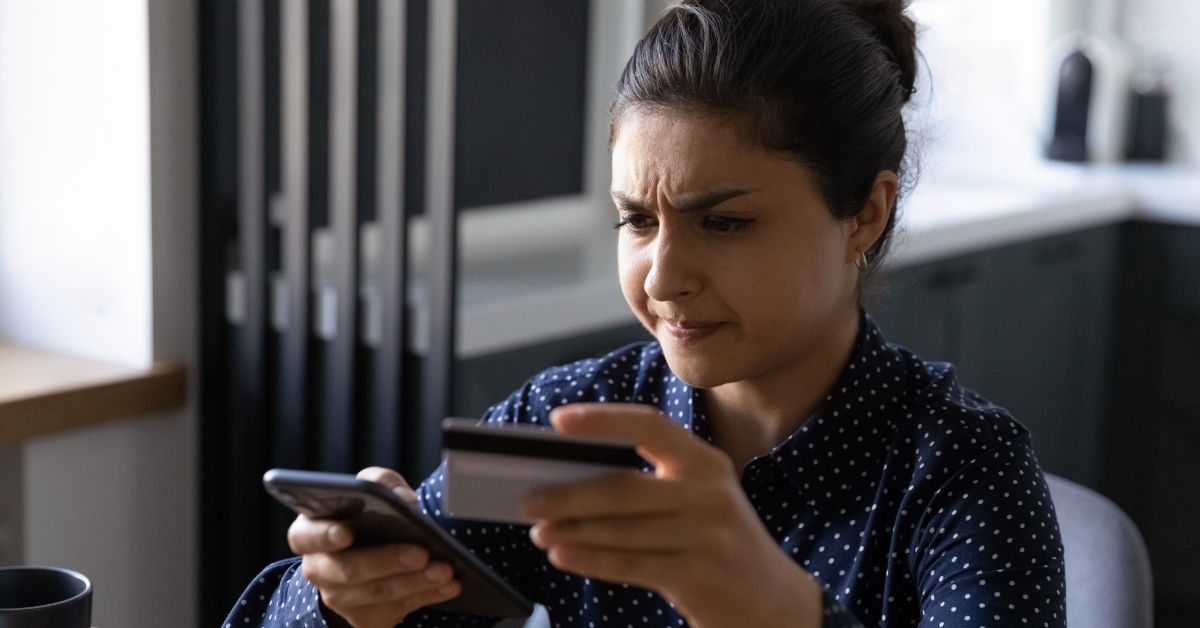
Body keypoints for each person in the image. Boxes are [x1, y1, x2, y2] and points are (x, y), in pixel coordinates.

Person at [225, 1, 1067, 626]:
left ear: (866, 214)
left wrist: (776, 611)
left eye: (724, 222)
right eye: (636, 220)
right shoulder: (565, 431)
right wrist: (336, 596)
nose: (662, 277)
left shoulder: (964, 478)